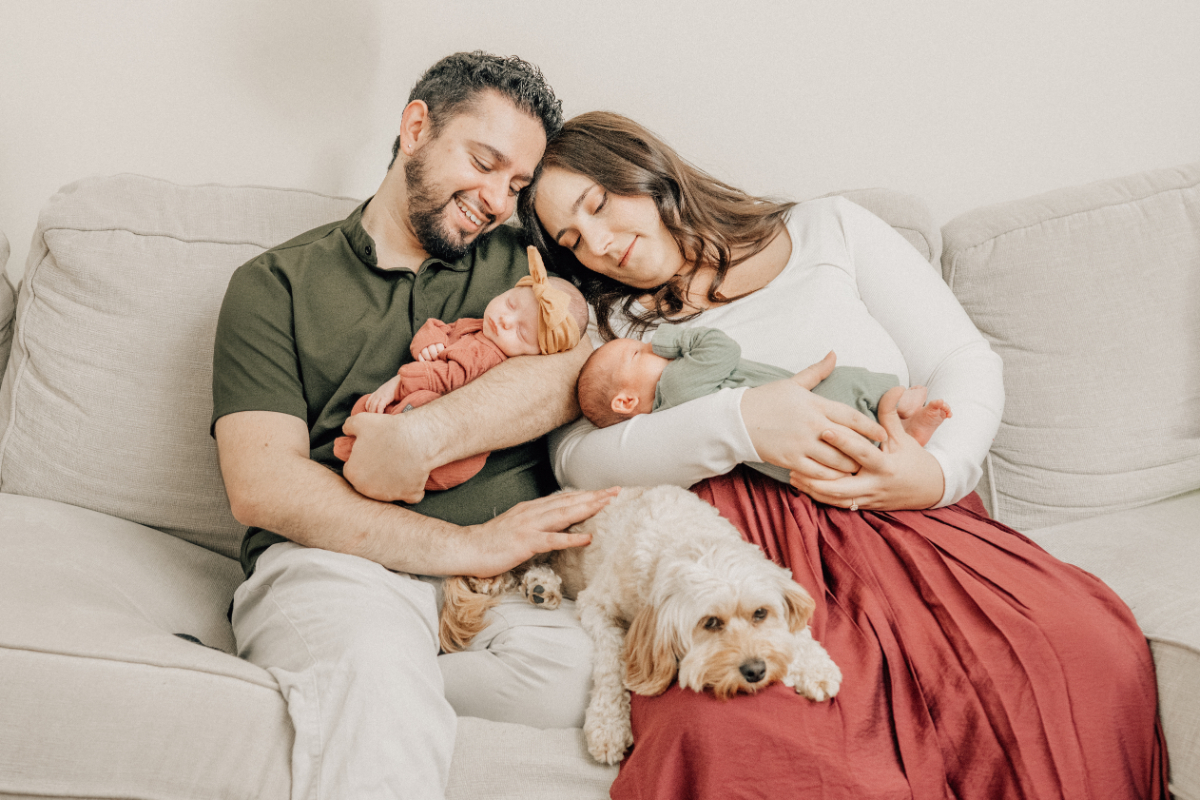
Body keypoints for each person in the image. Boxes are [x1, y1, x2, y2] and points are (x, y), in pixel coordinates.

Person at [520, 111, 1169, 799]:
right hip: (739, 555)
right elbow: (577, 463)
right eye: (571, 239)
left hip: (902, 513)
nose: (596, 242)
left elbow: (962, 360)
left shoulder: (830, 228)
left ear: (649, 173)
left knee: (1080, 653)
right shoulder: (599, 319)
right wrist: (740, 423)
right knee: (744, 742)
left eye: (597, 204)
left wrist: (938, 472)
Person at [210, 53, 617, 800]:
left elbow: (582, 373)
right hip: (339, 565)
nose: (498, 199)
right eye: (484, 162)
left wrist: (423, 439)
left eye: (517, 185)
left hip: (501, 587)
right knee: (373, 668)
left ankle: (359, 697)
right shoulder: (275, 284)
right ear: (415, 127)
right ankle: (368, 689)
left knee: (575, 682)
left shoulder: (523, 267)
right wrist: (462, 543)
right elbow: (262, 484)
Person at [333, 247, 590, 491]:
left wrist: (398, 383)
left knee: (416, 403)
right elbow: (441, 328)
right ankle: (363, 445)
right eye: (511, 304)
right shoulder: (477, 326)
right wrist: (430, 341)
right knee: (370, 407)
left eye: (521, 332)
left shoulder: (488, 355)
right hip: (425, 406)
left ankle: (374, 458)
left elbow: (446, 378)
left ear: (536, 354)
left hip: (447, 438)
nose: (505, 320)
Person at [576, 323, 951, 485]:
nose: (648, 346)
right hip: (803, 409)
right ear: (626, 400)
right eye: (637, 352)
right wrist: (668, 340)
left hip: (788, 453)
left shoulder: (675, 411)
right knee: (845, 383)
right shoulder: (675, 386)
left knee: (844, 439)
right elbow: (721, 347)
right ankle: (900, 407)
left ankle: (904, 433)